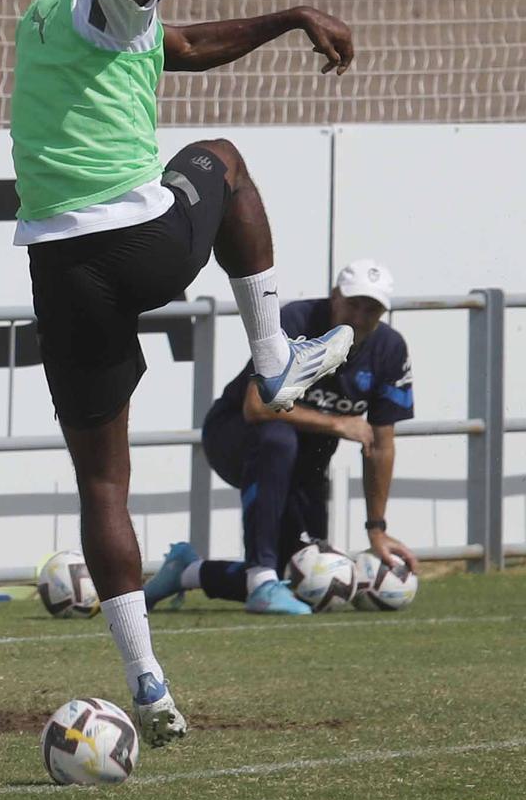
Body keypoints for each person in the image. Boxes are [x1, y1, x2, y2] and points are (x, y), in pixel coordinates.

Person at [10, 0, 359, 747]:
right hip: (131, 242)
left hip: (59, 268)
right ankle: (275, 357)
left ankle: (148, 683)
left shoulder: (57, 7)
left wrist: (289, 17)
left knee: (102, 484)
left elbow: (191, 44)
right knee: (223, 158)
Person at [147, 258, 420, 614]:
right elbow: (257, 406)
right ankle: (261, 577)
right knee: (278, 437)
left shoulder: (390, 350)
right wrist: (338, 424)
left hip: (305, 462)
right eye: (353, 303)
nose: (360, 316)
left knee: (304, 578)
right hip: (236, 435)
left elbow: (380, 446)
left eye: (372, 309)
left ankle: (188, 572)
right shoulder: (297, 321)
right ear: (335, 296)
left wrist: (377, 530)